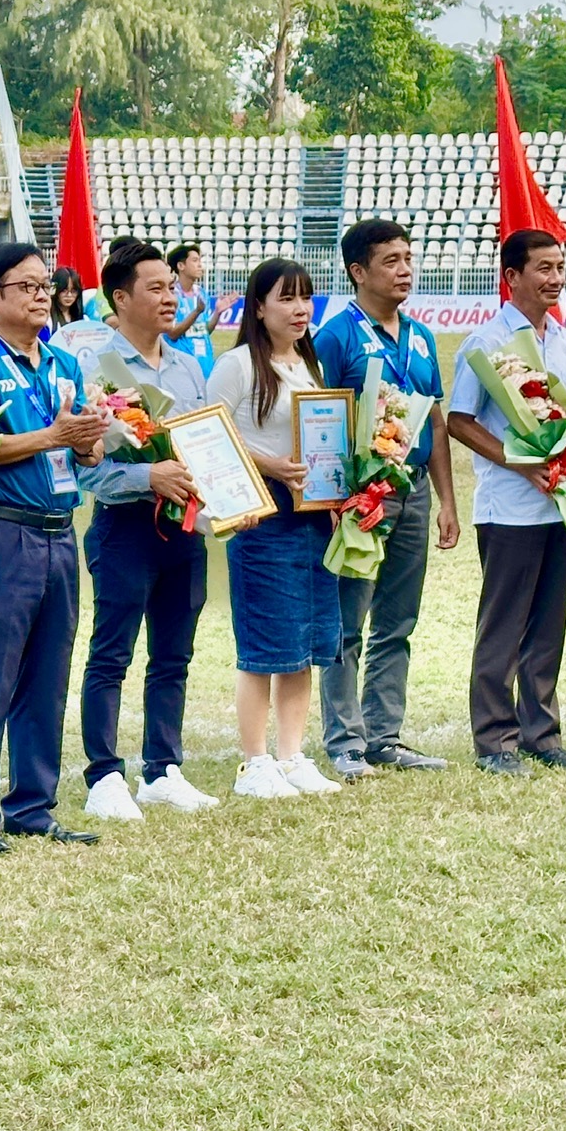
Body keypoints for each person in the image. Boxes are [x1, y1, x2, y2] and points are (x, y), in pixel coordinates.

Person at [0, 243, 111, 851]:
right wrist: (53, 435)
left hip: (58, 531)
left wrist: (89, 441)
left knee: (48, 672)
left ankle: (34, 805)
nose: (43, 295)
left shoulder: (61, 361)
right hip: (2, 531)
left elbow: (77, 451)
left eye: (46, 285)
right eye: (28, 286)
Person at [312, 220, 460, 778]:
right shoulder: (335, 336)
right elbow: (318, 419)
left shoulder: (420, 335)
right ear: (358, 271)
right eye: (391, 261)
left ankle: (384, 735)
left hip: (414, 488)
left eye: (408, 258)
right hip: (362, 494)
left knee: (398, 619)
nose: (405, 269)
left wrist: (446, 499)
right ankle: (345, 740)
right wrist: (333, 498)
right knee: (347, 620)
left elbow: (437, 421)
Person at [76, 241, 218, 821]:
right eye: (155, 288)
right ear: (120, 297)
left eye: (171, 287)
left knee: (173, 653)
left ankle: (164, 768)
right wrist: (146, 475)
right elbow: (84, 471)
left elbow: (210, 447)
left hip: (184, 530)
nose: (169, 298)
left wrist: (229, 496)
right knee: (112, 652)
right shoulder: (95, 370)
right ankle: (104, 775)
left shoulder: (187, 366)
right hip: (125, 528)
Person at [447, 229, 566, 778]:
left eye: (560, 267)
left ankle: (542, 735)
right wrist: (518, 461)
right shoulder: (485, 343)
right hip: (509, 507)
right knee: (504, 626)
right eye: (543, 268)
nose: (555, 278)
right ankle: (494, 740)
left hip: (562, 503)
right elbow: (458, 420)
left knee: (549, 623)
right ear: (511, 277)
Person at [209, 258, 344, 799]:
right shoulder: (238, 364)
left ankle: (292, 756)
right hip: (260, 519)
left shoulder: (310, 368)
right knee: (265, 645)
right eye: (286, 298)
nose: (299, 309)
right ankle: (255, 762)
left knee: (307, 642)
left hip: (312, 522)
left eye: (305, 297)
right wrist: (270, 464)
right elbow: (206, 431)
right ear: (257, 307)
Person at [164, 243, 218, 375]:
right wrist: (196, 312)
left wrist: (218, 312)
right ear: (181, 266)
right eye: (195, 260)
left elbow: (204, 330)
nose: (200, 265)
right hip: (181, 367)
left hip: (205, 363)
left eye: (200, 260)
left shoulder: (201, 293)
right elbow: (173, 333)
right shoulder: (171, 295)